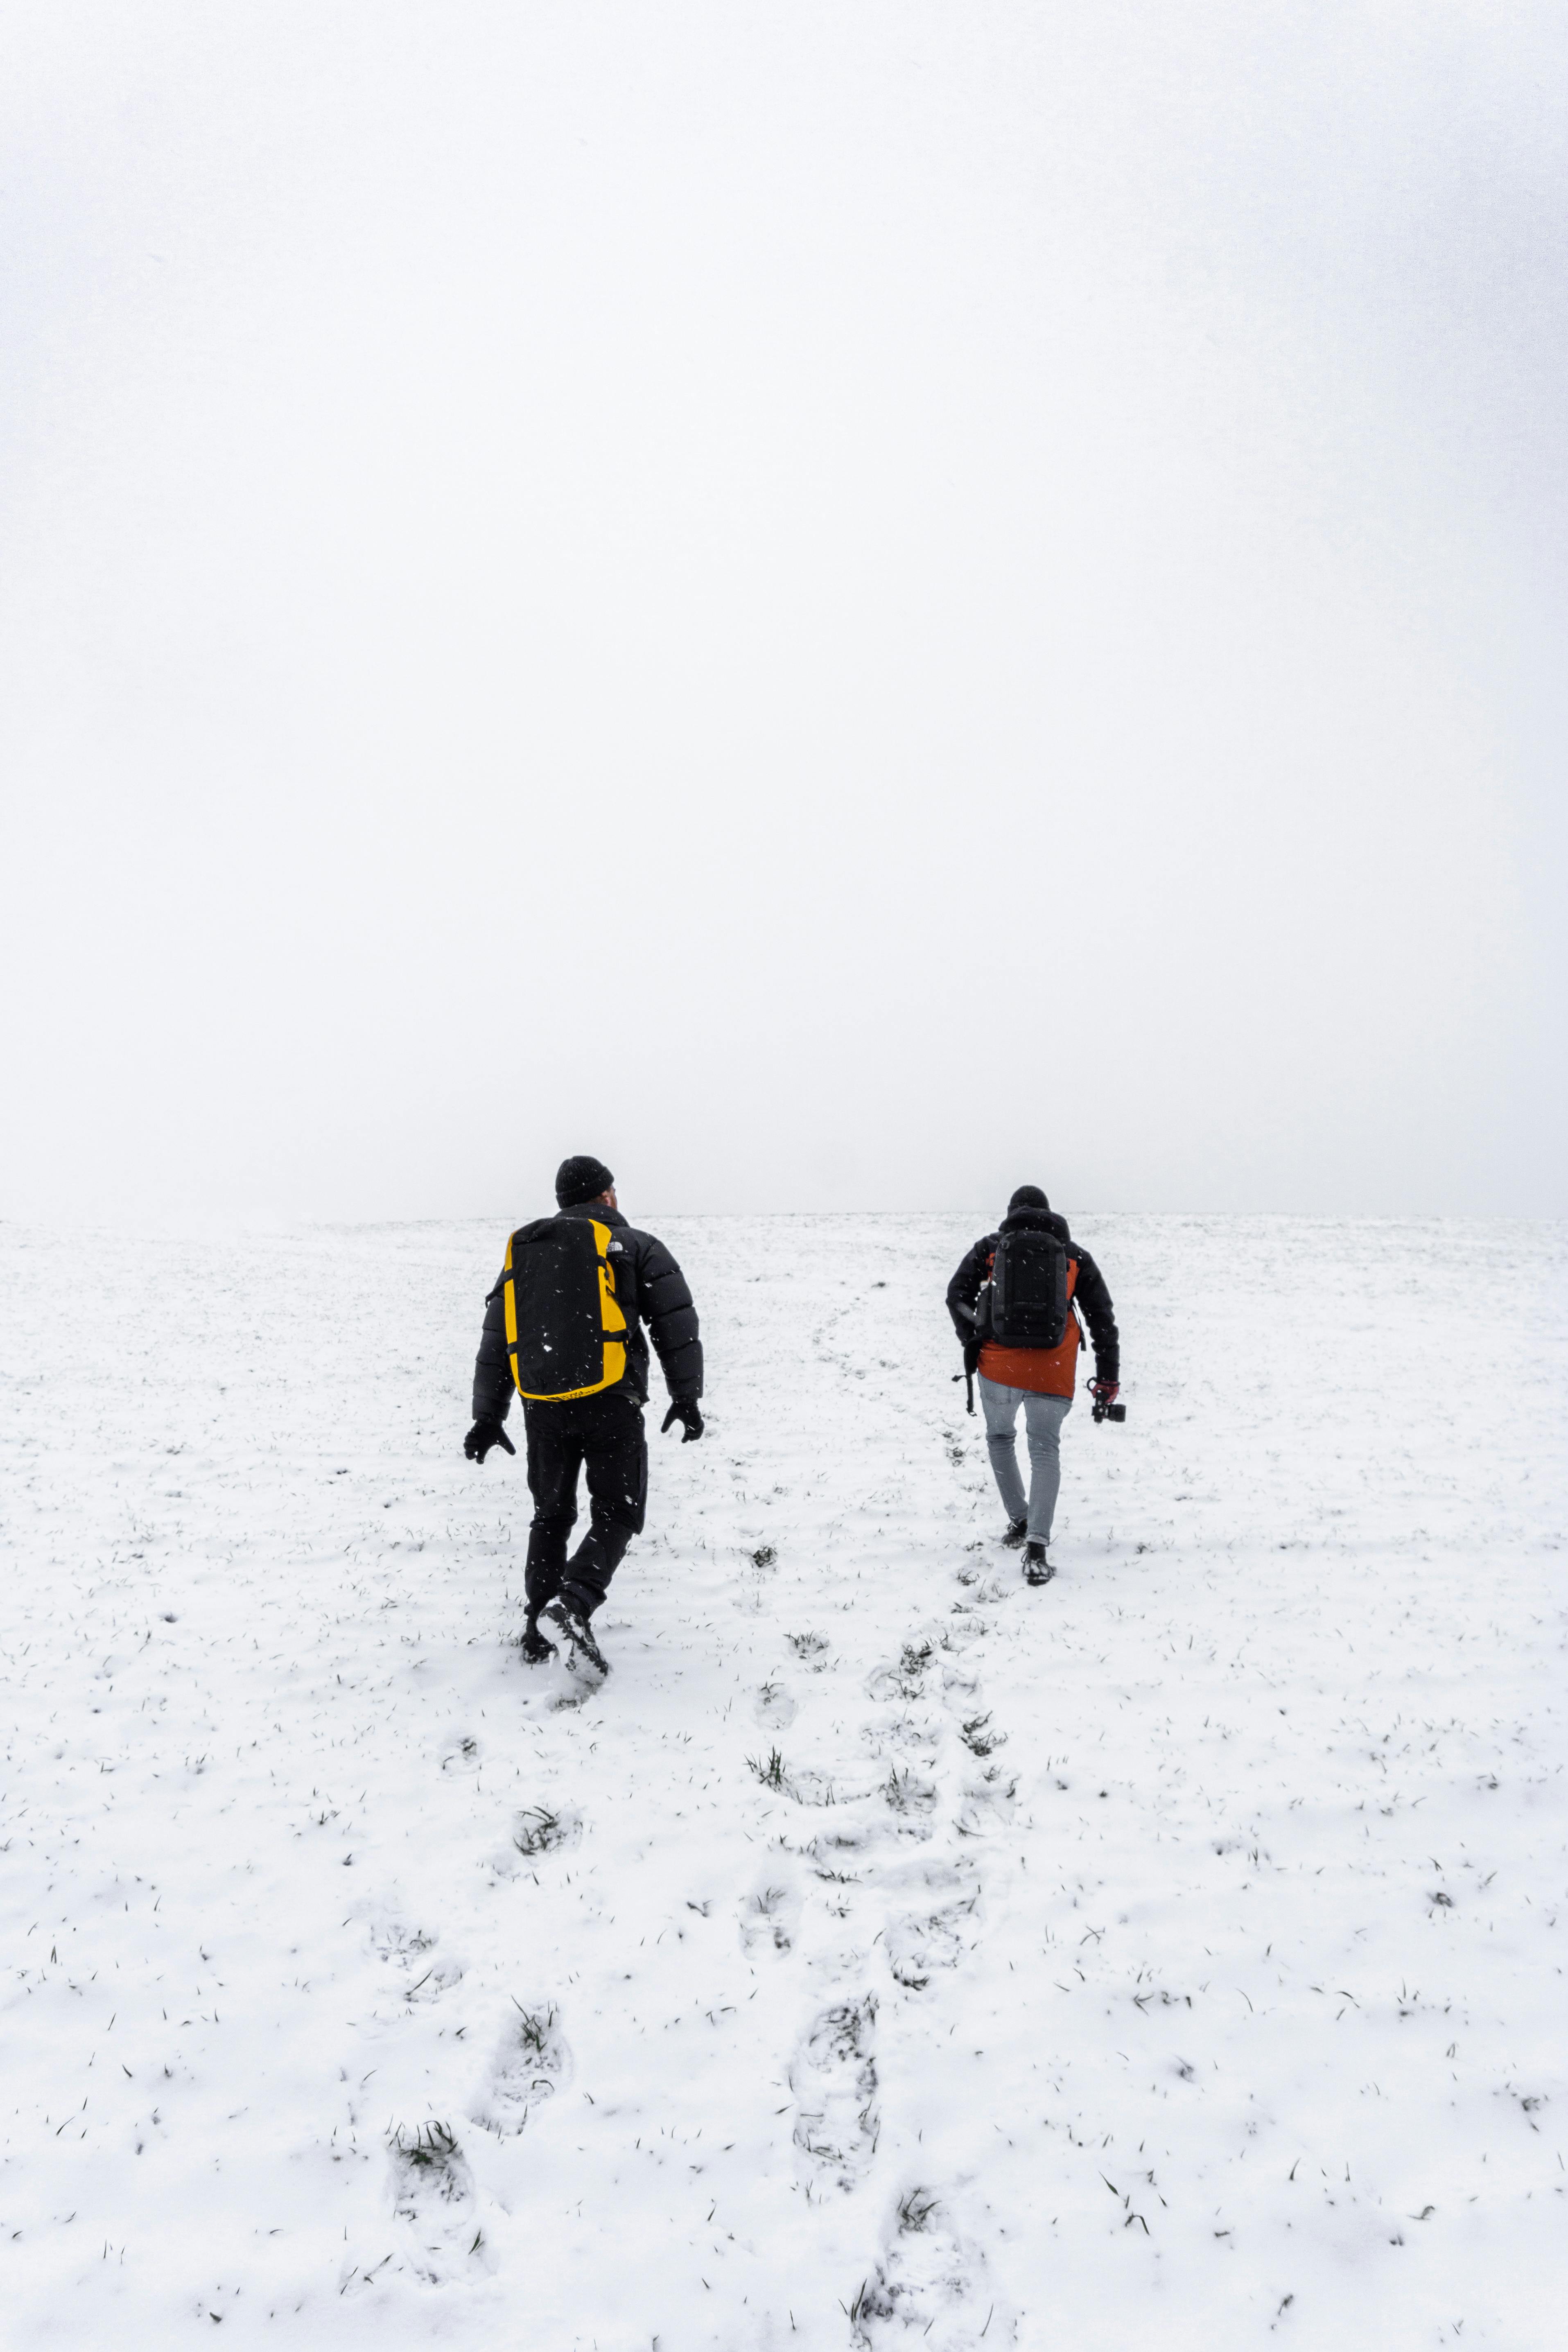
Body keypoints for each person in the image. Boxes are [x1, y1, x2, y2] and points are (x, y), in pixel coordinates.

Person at [465, 1155, 704, 1673]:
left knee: (551, 1514)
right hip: (611, 1402)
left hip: (544, 1405)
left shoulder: (526, 1254)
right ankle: (572, 1604)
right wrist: (686, 1397)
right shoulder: (635, 1245)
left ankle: (536, 1628)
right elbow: (675, 1323)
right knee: (616, 1511)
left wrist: (488, 1416)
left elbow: (496, 1340)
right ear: (607, 1196)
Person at [946, 1184, 1118, 1586]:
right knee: (1043, 1449)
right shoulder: (1073, 1256)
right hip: (1053, 1368)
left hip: (998, 1367)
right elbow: (1102, 1319)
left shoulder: (990, 1248)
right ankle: (1037, 1545)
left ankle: (1019, 1520)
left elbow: (956, 1296)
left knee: (1000, 1438)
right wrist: (1108, 1376)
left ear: (1011, 1212)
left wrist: (972, 1338)